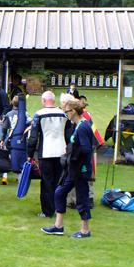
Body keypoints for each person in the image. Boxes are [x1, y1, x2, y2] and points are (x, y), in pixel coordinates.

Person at [41, 98, 94, 238]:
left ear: (74, 111)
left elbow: (86, 149)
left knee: (81, 198)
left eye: (67, 112)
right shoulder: (80, 126)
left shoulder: (83, 127)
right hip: (73, 169)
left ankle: (85, 231)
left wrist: (70, 149)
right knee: (59, 192)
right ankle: (58, 226)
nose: (66, 115)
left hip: (80, 170)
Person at [26, 91, 72, 218]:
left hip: (46, 153)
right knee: (58, 182)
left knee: (47, 183)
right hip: (61, 152)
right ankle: (59, 208)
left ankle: (47, 211)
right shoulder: (63, 114)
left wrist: (29, 153)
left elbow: (33, 137)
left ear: (43, 100)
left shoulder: (39, 115)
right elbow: (69, 135)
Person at [66, 95, 104, 209]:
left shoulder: (81, 120)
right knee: (88, 170)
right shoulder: (84, 114)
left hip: (88, 145)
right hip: (90, 143)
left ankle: (79, 200)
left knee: (85, 170)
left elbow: (84, 147)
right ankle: (88, 198)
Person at [1, 93, 31, 184]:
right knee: (20, 158)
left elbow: (4, 128)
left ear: (12, 103)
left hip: (11, 138)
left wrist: (2, 140)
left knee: (7, 157)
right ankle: (19, 177)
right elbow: (30, 125)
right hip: (21, 139)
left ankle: (5, 176)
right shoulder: (25, 114)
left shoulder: (8, 114)